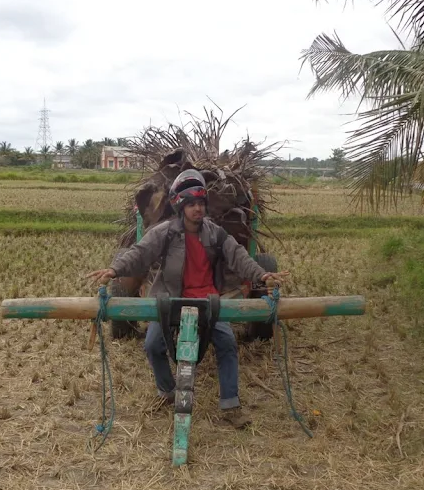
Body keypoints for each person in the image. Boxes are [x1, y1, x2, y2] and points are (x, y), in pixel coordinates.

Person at [87, 169, 290, 429]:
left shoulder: (215, 233)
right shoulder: (165, 232)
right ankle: (167, 391)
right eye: (191, 204)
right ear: (180, 206)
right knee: (152, 345)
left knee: (227, 343)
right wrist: (115, 270)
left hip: (208, 301)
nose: (197, 209)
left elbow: (239, 257)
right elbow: (140, 252)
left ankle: (230, 404)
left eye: (200, 204)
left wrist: (263, 276)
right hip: (170, 300)